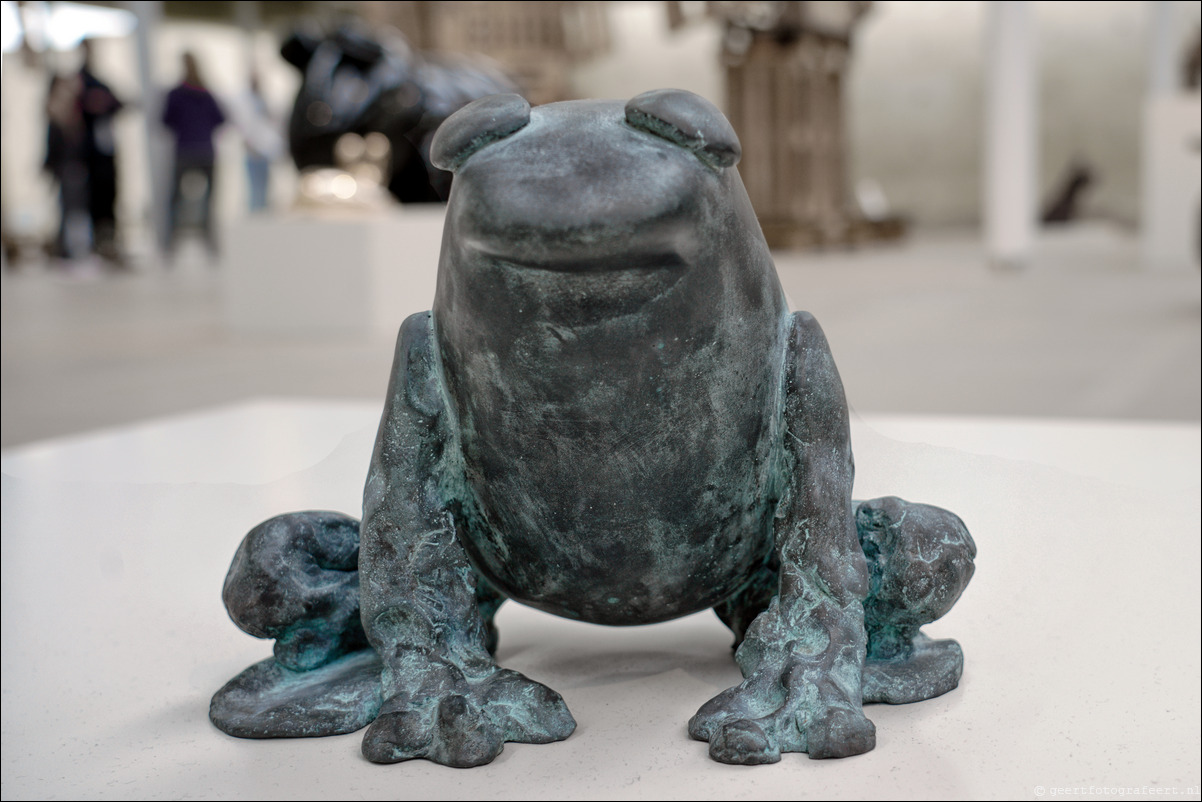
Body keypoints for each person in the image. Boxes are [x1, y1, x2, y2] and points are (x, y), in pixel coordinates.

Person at [161, 52, 225, 258]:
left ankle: (171, 243)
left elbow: (166, 120)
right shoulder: (205, 93)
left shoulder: (178, 93)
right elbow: (220, 119)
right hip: (204, 149)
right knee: (208, 199)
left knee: (176, 198)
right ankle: (208, 242)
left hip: (186, 149)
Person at [77, 39, 124, 264]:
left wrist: (105, 103)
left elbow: (120, 102)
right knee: (91, 199)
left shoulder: (101, 82)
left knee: (110, 195)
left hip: (106, 150)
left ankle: (109, 241)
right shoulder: (78, 81)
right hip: (88, 154)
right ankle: (92, 243)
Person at [234, 72, 283, 212]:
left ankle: (262, 208)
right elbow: (245, 125)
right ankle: (255, 209)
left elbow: (271, 123)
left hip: (265, 149)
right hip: (252, 149)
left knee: (265, 184)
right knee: (254, 185)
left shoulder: (263, 101)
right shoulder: (245, 102)